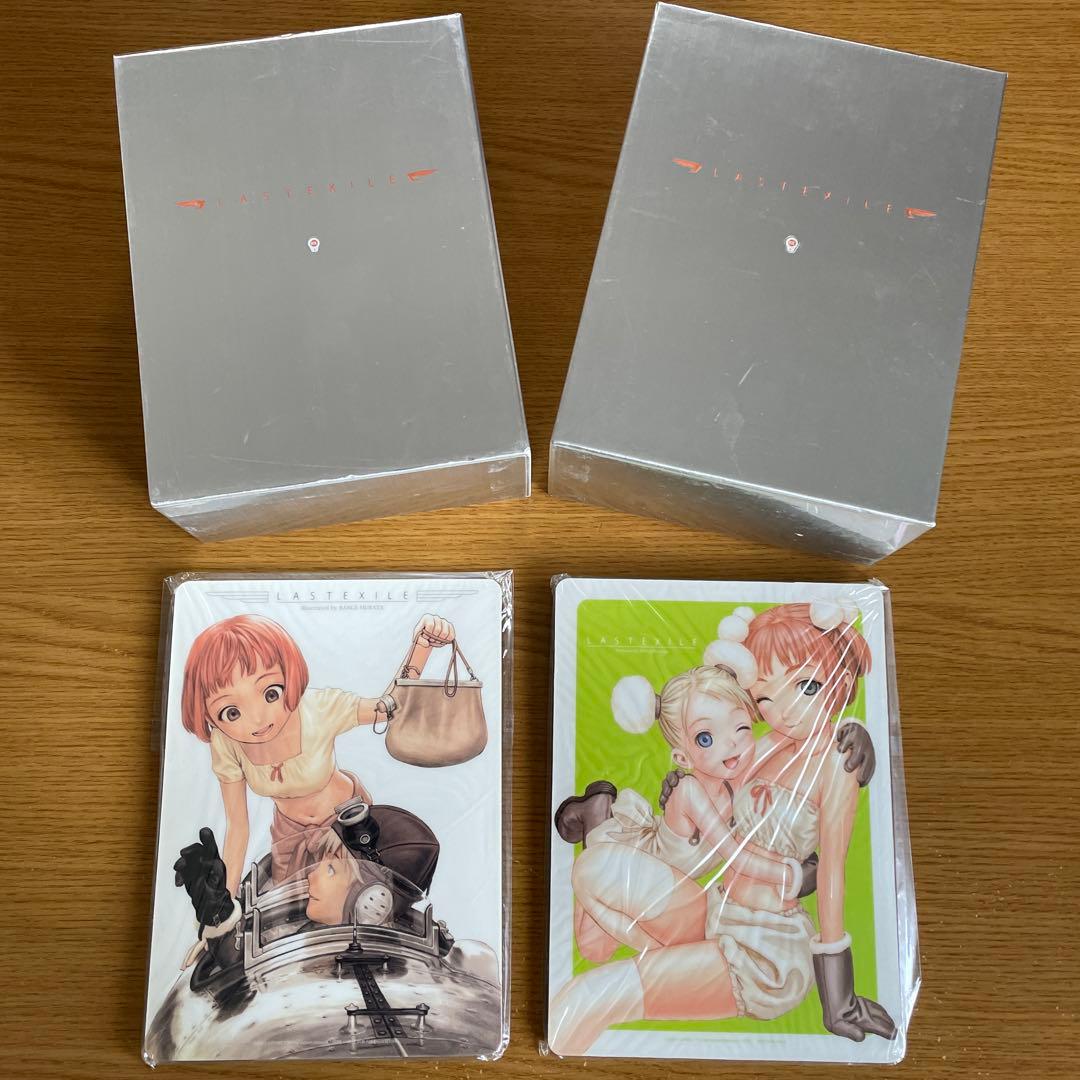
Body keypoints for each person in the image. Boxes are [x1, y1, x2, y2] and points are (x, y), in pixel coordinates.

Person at [548, 602, 894, 1053]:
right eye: (766, 699)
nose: (787, 711)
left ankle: (608, 833)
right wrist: (684, 785)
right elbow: (715, 758)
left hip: (762, 952)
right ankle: (604, 829)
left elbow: (831, 872)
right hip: (714, 914)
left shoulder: (837, 763)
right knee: (591, 880)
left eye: (807, 686)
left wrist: (839, 998)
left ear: (842, 684)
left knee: (584, 998)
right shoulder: (765, 744)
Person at [180, 612, 454, 893]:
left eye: (271, 693)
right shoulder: (225, 742)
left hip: (348, 825)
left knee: (361, 904)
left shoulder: (318, 708)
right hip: (288, 836)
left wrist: (422, 646)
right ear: (207, 715)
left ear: (290, 675)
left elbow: (387, 708)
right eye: (231, 712)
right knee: (286, 908)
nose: (258, 719)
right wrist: (226, 899)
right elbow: (238, 826)